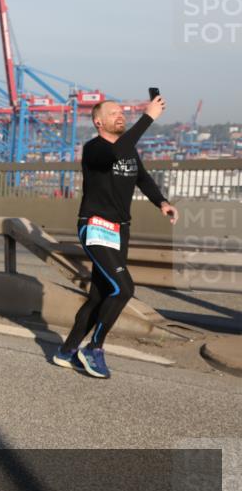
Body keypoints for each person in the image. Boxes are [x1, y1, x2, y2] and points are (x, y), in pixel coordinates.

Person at [52, 96, 178, 379]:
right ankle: (94, 348)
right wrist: (148, 117)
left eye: (122, 113)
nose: (120, 116)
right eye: (113, 113)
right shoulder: (94, 149)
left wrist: (162, 202)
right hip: (96, 226)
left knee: (99, 295)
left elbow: (142, 178)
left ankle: (67, 351)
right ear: (99, 122)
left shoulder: (128, 150)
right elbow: (116, 152)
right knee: (123, 288)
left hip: (120, 229)